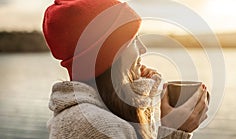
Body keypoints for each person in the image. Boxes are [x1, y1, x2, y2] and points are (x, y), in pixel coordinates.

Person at [43, 0, 209, 138]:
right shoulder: (94, 124)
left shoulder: (96, 114)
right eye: (133, 40)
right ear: (111, 55)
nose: (143, 49)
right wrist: (175, 131)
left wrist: (138, 93)